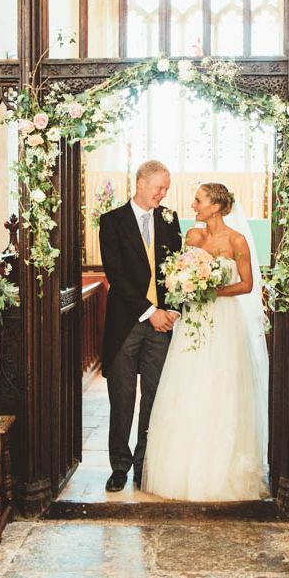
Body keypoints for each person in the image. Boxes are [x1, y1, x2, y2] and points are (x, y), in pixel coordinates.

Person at [142, 183, 269, 501]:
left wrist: (213, 290)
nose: (193, 204)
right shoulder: (193, 238)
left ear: (215, 205)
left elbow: (247, 284)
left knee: (222, 386)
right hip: (193, 321)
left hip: (224, 321)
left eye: (198, 200)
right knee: (189, 384)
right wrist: (186, 284)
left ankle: (222, 470)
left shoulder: (237, 240)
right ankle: (182, 469)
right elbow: (180, 273)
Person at [98, 160, 182, 491]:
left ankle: (143, 464)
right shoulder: (112, 221)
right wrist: (150, 312)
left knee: (154, 397)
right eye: (159, 187)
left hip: (162, 324)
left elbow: (178, 268)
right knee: (122, 398)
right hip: (126, 324)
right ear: (140, 183)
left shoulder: (170, 219)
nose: (163, 194)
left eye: (166, 188)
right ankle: (119, 466)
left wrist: (171, 309)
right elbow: (116, 275)